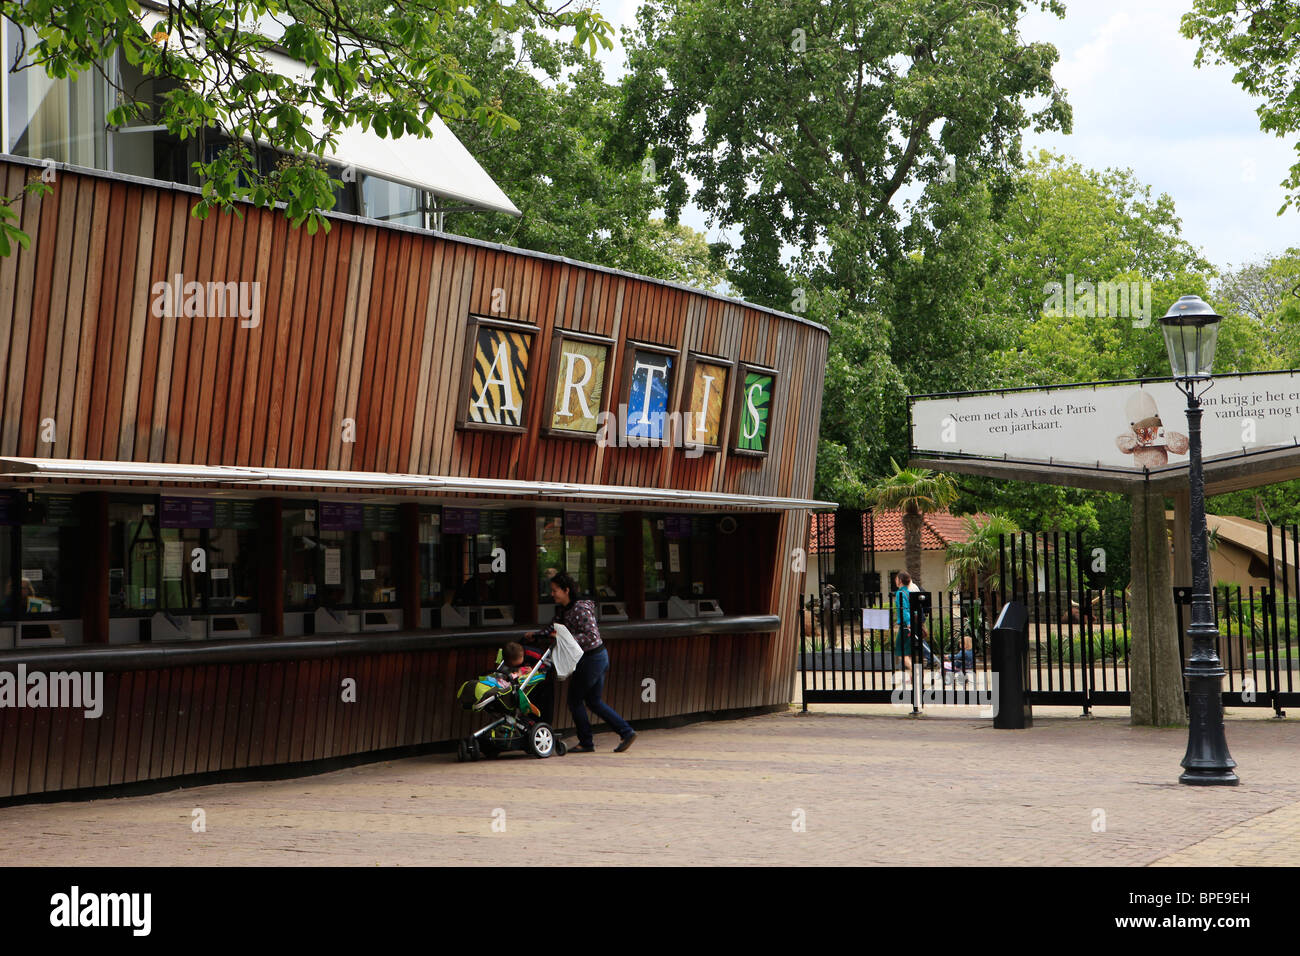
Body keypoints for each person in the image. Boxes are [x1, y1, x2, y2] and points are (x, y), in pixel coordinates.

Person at [545, 571, 636, 753]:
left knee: (574, 700)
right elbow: (553, 629)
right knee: (593, 701)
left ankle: (586, 742)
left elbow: (591, 635)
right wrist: (536, 635)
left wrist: (566, 638)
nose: (552, 594)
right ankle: (626, 731)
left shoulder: (580, 609)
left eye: (555, 590)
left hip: (592, 659)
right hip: (595, 658)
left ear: (566, 590)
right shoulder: (563, 610)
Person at [893, 572, 914, 685]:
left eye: (896, 579)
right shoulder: (908, 592)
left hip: (906, 626)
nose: (895, 581)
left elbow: (904, 609)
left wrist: (908, 623)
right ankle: (911, 675)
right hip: (909, 625)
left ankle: (914, 672)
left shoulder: (900, 593)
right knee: (907, 652)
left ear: (900, 580)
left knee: (902, 652)